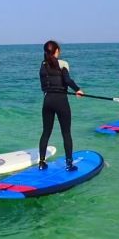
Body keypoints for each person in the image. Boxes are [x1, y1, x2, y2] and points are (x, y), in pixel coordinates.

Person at [38, 40, 84, 172]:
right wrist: (78, 90)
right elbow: (67, 80)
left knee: (46, 132)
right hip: (61, 101)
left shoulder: (43, 65)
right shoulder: (63, 64)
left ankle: (41, 162)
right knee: (66, 133)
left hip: (47, 101)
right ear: (57, 51)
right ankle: (69, 164)